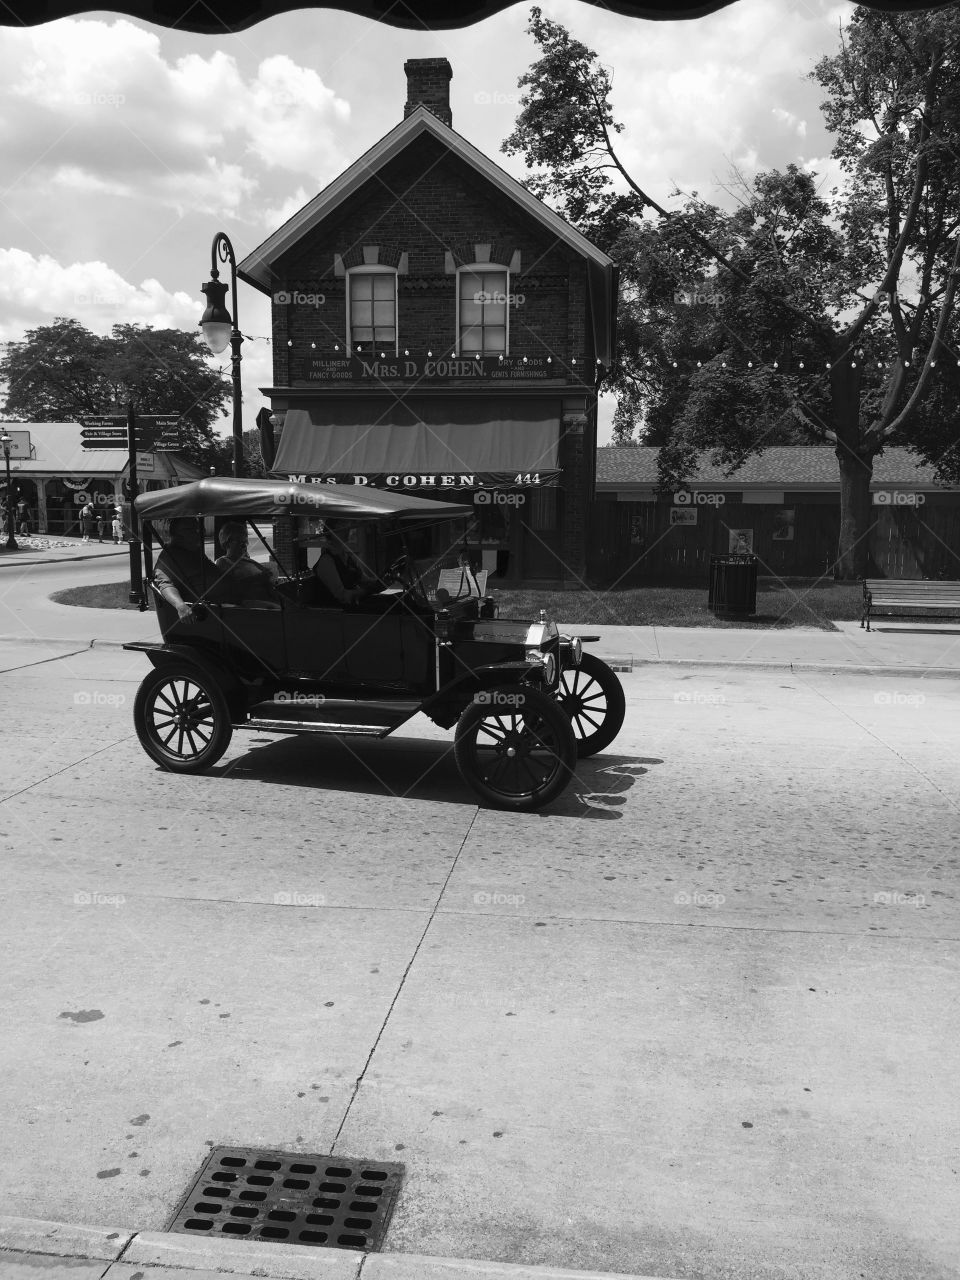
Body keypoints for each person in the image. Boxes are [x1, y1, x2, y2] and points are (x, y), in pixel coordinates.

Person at [152, 516, 239, 622]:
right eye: (190, 529)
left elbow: (214, 572)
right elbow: (165, 584)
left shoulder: (194, 551)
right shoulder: (169, 556)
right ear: (176, 534)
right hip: (212, 612)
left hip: (231, 600)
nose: (198, 533)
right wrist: (181, 606)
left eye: (197, 528)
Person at [312, 518, 383, 605]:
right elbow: (342, 596)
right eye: (342, 526)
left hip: (354, 606)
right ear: (331, 532)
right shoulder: (326, 561)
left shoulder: (348, 557)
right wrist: (364, 592)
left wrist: (381, 581)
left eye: (347, 525)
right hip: (338, 612)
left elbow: (364, 580)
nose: (347, 529)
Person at [214, 520, 281, 608]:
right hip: (248, 603)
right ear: (228, 542)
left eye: (245, 541)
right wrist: (257, 579)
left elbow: (267, 575)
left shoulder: (247, 560)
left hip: (266, 597)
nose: (244, 545)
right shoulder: (223, 562)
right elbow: (229, 588)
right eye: (239, 541)